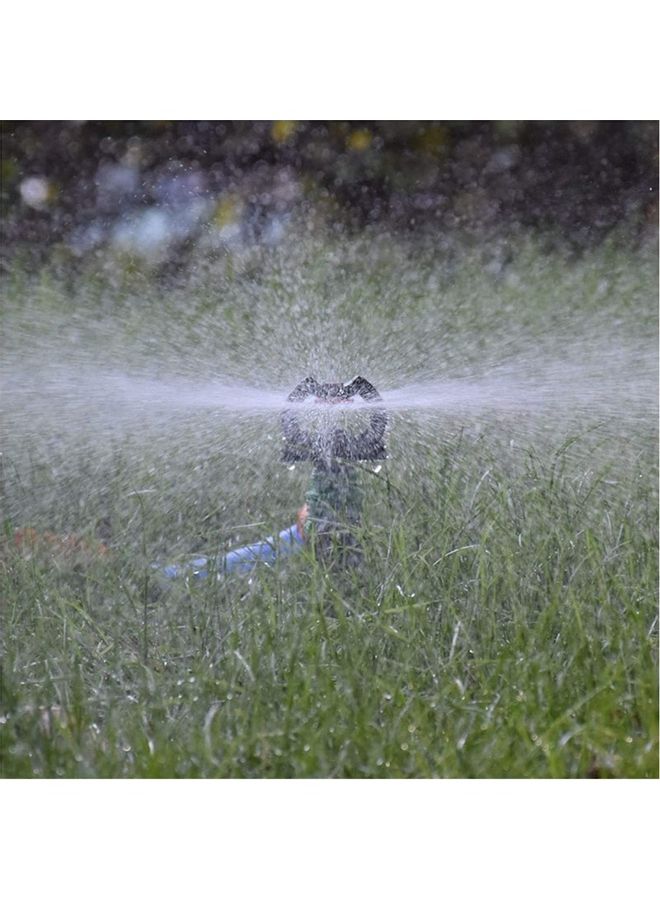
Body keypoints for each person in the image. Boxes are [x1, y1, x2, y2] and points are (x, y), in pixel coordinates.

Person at [155, 376, 386, 582]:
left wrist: (313, 391)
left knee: (238, 562)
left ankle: (172, 577)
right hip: (316, 532)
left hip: (313, 534)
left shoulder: (332, 502)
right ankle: (170, 577)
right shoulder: (343, 486)